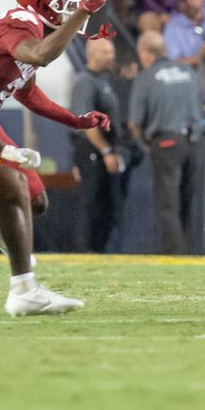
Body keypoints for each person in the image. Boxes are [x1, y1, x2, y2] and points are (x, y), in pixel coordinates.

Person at [0, 0, 110, 316]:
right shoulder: (20, 24)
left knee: (34, 199)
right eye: (67, 5)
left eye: (75, 4)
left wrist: (75, 120)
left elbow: (27, 92)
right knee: (11, 184)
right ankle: (24, 289)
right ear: (43, 5)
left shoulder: (36, 28)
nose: (73, 11)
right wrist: (5, 149)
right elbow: (41, 54)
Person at [129, 30, 203, 254]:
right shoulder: (188, 72)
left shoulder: (147, 77)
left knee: (168, 202)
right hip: (195, 141)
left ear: (145, 53)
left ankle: (174, 254)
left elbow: (134, 123)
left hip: (166, 142)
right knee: (189, 198)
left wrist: (144, 145)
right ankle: (191, 249)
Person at [71, 37, 125, 253]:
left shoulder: (103, 81)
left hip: (103, 150)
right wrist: (105, 151)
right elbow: (86, 123)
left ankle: (98, 251)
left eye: (111, 51)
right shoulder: (85, 81)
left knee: (106, 205)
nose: (111, 56)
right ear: (91, 54)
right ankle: (84, 252)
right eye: (106, 52)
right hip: (91, 149)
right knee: (89, 204)